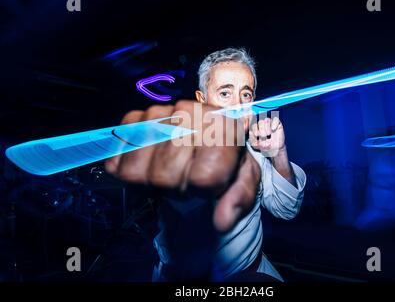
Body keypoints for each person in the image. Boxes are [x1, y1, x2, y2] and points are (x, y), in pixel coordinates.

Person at [105, 48, 306, 281]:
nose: (237, 106)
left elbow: (287, 210)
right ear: (202, 100)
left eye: (246, 94)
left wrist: (278, 154)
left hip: (252, 274)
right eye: (224, 93)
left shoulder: (256, 147)